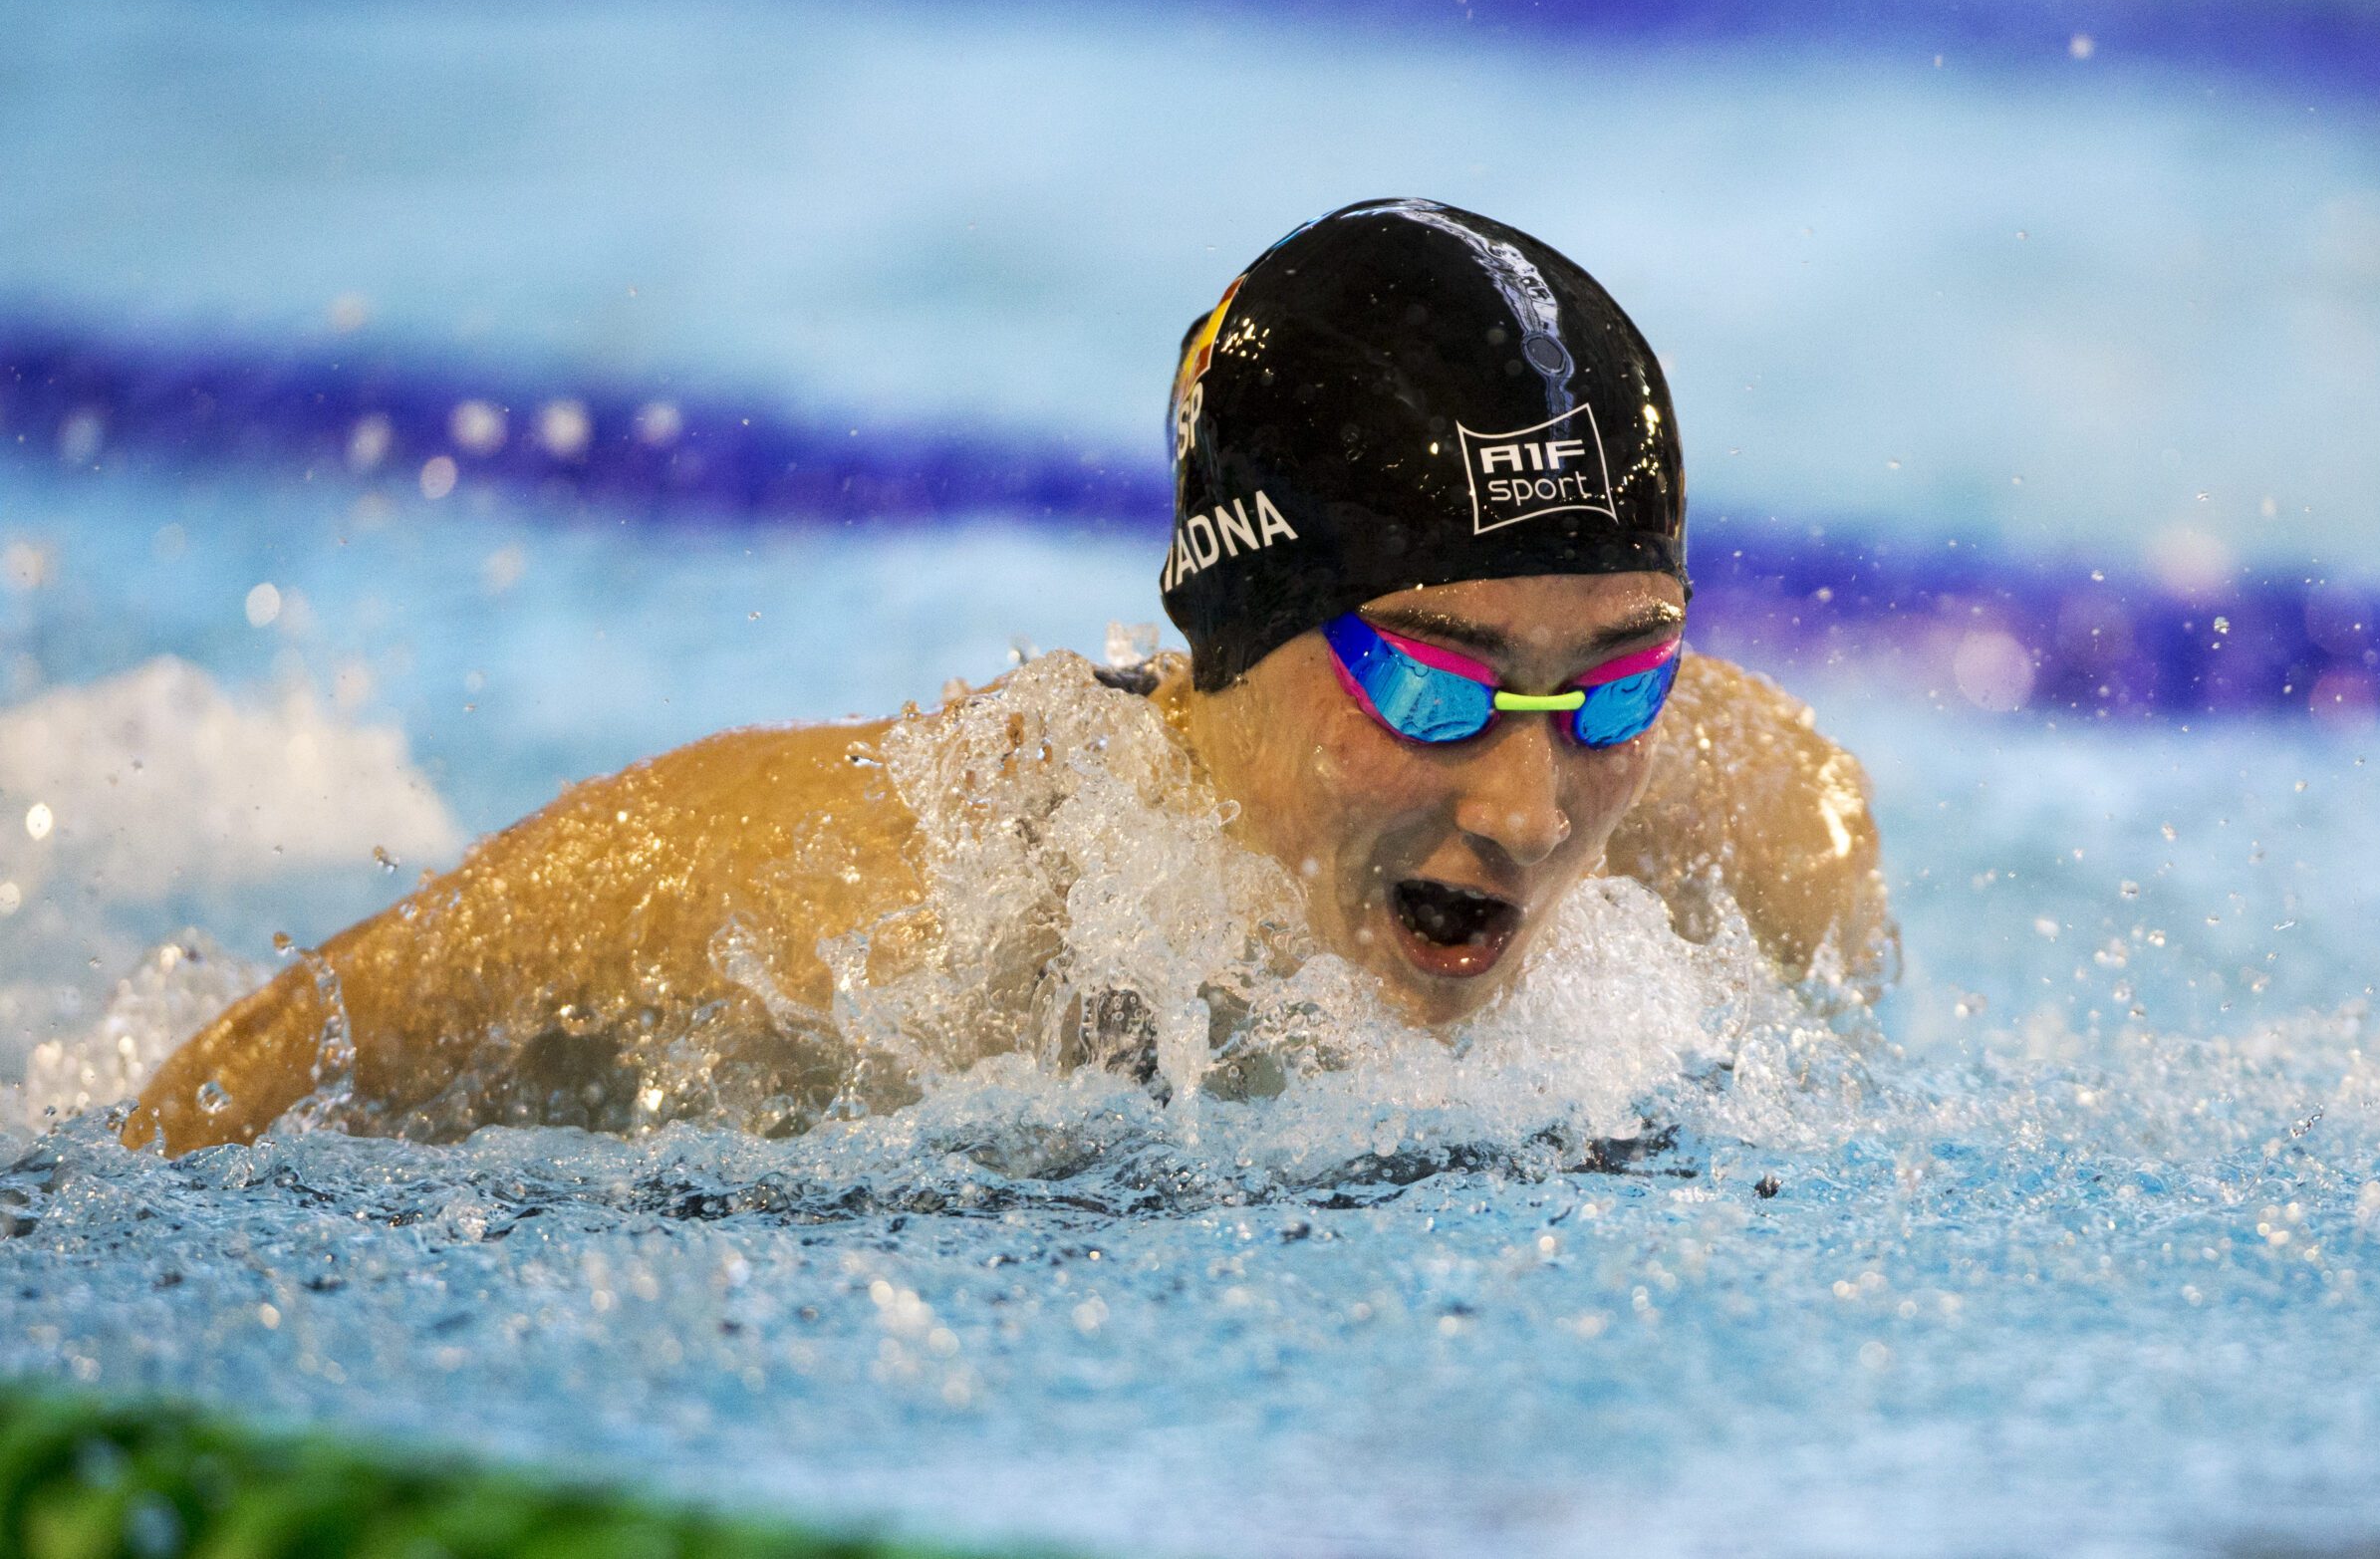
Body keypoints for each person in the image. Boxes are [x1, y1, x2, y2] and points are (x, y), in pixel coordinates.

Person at [123, 199, 1893, 1156]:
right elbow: (192, 1134)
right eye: (1433, 688)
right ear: (1235, 632)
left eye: (1612, 692)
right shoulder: (850, 908)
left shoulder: (1762, 842)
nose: (1526, 807)